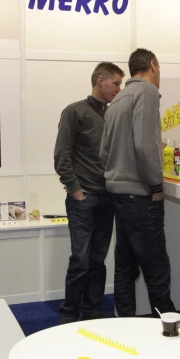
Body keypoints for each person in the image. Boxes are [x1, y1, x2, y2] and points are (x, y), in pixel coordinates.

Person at [100, 48, 176, 317]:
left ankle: (126, 326)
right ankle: (168, 329)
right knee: (156, 268)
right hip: (140, 197)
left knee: (125, 267)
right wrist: (156, 185)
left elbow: (104, 152)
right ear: (153, 65)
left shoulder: (118, 99)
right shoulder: (146, 93)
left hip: (118, 195)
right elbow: (144, 145)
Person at [54, 62, 125, 323]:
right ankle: (69, 314)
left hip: (108, 198)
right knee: (81, 260)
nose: (119, 88)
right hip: (83, 199)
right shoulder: (74, 112)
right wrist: (76, 191)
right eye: (116, 83)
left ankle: (93, 311)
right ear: (100, 80)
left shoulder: (113, 113)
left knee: (98, 260)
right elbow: (62, 156)